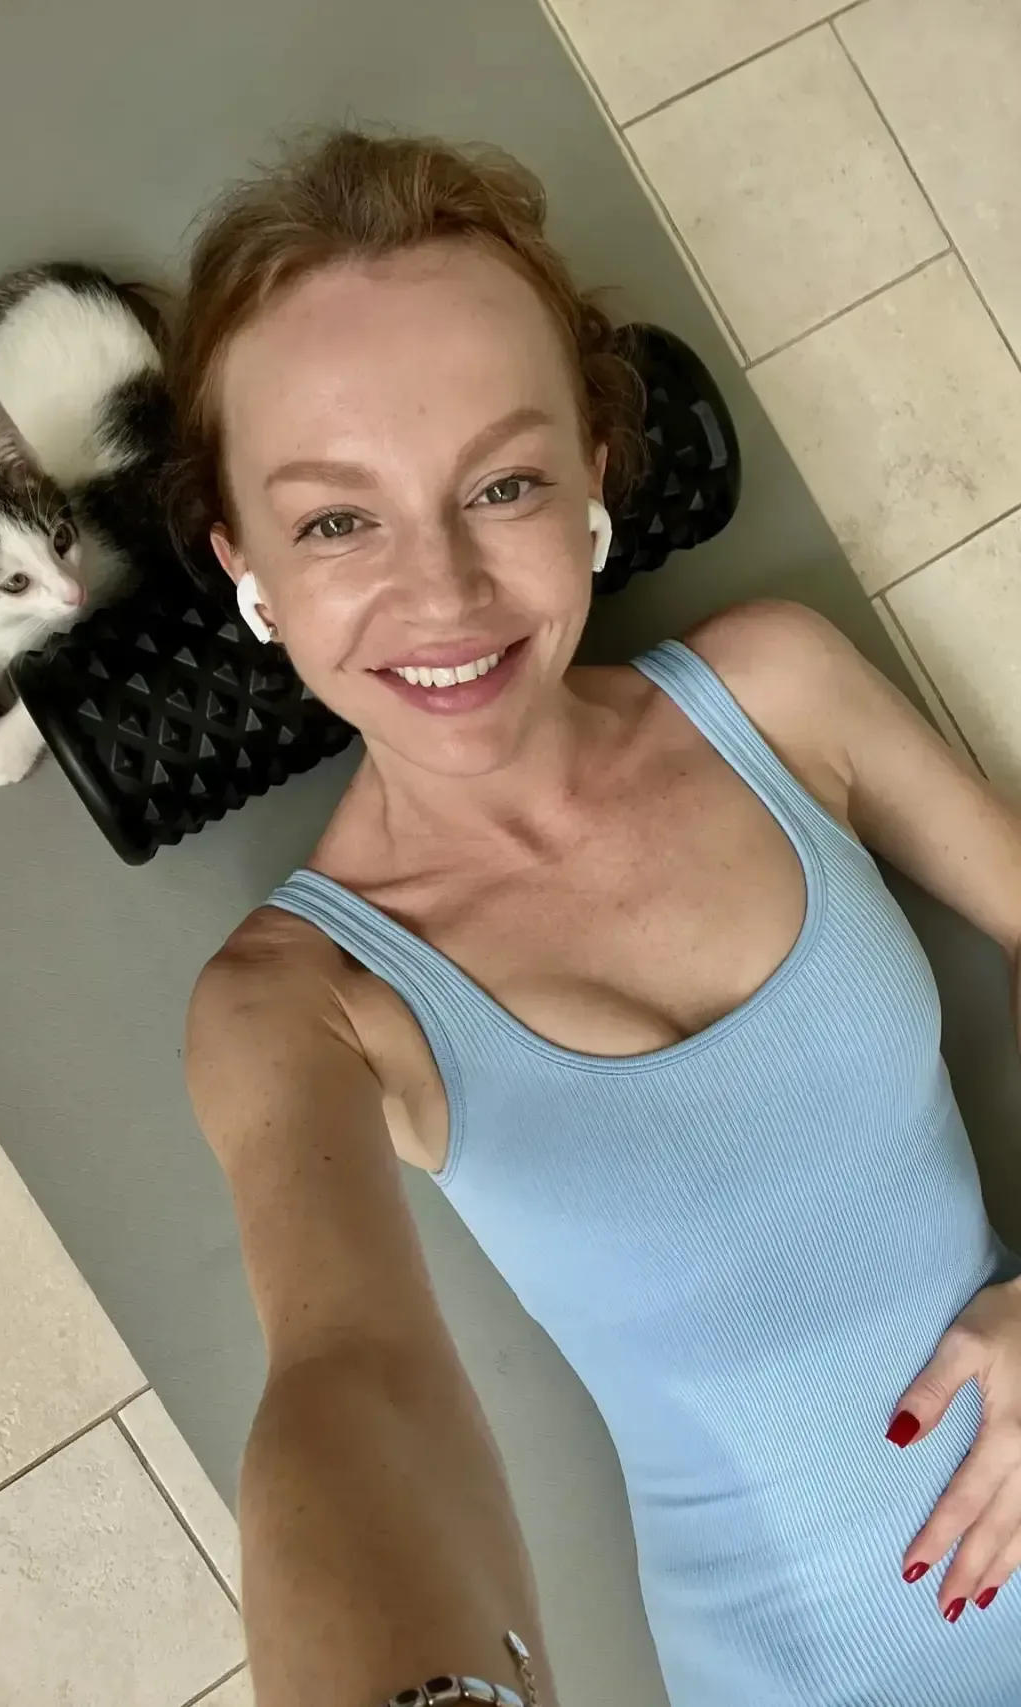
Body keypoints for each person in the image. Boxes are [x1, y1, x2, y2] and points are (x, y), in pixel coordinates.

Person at [176, 129, 1021, 1707]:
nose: (443, 591)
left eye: (501, 484)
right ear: (250, 571)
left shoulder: (775, 690)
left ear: (592, 482)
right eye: (337, 521)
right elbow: (352, 1382)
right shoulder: (301, 1000)